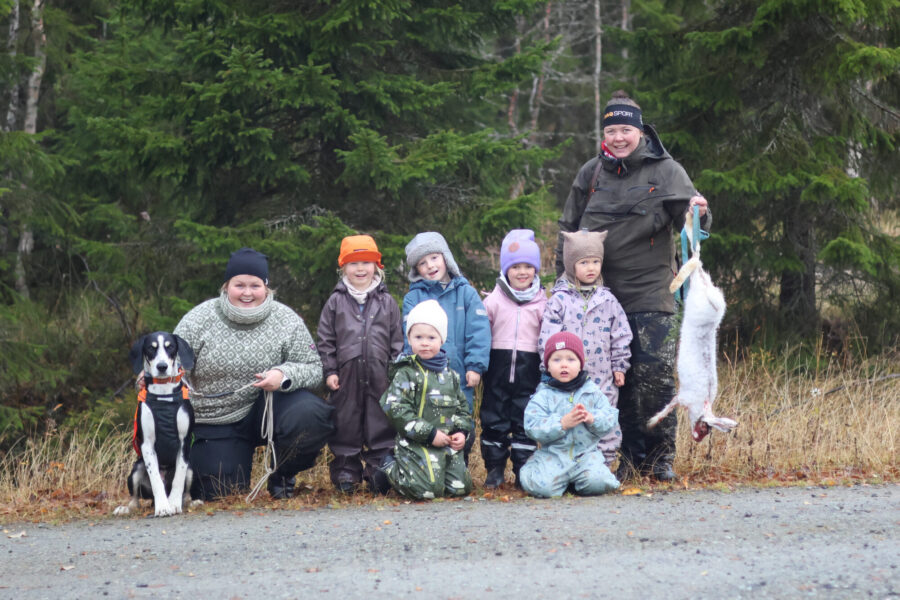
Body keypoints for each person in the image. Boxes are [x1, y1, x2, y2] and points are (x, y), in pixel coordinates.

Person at [557, 90, 710, 481]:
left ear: (640, 132)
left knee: (653, 376)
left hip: (651, 293)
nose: (619, 138)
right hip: (596, 297)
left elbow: (692, 228)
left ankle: (659, 458)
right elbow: (568, 233)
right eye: (612, 131)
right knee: (608, 380)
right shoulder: (591, 173)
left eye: (626, 129)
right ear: (603, 134)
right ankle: (622, 457)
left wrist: (700, 215)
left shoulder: (666, 170)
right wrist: (562, 286)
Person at [174, 248, 334, 500]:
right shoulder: (199, 319)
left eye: (255, 285)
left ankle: (283, 472)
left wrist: (283, 375)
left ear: (266, 287)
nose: (247, 293)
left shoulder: (286, 319)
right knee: (220, 494)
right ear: (227, 286)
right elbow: (174, 363)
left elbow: (314, 369)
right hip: (215, 419)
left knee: (311, 415)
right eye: (239, 285)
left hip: (267, 409)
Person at [317, 235, 403, 494]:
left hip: (380, 374)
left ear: (377, 266)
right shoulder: (336, 301)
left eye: (366, 262)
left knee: (381, 420)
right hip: (346, 374)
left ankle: (379, 469)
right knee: (346, 421)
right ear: (343, 267)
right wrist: (330, 370)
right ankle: (346, 471)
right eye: (354, 263)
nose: (360, 269)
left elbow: (397, 338)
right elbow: (326, 339)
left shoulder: (387, 301)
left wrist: (395, 371)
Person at [539, 229, 632, 467]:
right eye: (583, 262)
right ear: (571, 265)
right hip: (566, 378)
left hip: (602, 376)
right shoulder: (559, 300)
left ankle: (604, 465)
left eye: (595, 262)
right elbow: (547, 338)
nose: (591, 268)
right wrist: (548, 365)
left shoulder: (608, 300)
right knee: (569, 416)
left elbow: (621, 334)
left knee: (604, 417)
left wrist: (620, 365)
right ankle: (568, 466)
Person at [378, 300, 474, 500]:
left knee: (460, 487)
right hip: (415, 442)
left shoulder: (451, 376)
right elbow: (395, 408)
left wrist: (461, 432)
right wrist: (428, 433)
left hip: (445, 442)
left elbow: (462, 410)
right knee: (426, 491)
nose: (424, 342)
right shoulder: (406, 372)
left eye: (431, 337)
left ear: (441, 339)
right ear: (409, 339)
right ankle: (388, 468)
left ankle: (432, 472)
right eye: (418, 337)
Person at [480, 229, 547, 488]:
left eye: (528, 266)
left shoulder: (543, 303)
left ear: (536, 270)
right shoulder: (493, 301)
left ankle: (523, 470)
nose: (522, 272)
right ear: (505, 270)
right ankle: (494, 468)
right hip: (497, 369)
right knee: (494, 420)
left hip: (529, 371)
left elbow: (548, 339)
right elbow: (481, 334)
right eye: (516, 266)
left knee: (524, 421)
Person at [519, 332, 620, 498]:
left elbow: (610, 417)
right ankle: (532, 468)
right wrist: (561, 424)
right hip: (553, 456)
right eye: (557, 360)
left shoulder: (592, 391)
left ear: (580, 364)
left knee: (600, 483)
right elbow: (531, 426)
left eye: (571, 359)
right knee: (542, 489)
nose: (564, 365)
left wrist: (592, 419)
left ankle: (578, 483)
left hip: (586, 456)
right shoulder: (543, 395)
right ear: (548, 366)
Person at [401, 232, 490, 413]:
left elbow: (479, 331)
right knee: (426, 418)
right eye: (422, 263)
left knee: (460, 421)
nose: (430, 265)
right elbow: (408, 336)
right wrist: (409, 368)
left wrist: (475, 366)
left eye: (434, 257)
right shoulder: (413, 298)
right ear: (416, 270)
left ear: (446, 257)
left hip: (459, 374)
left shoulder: (466, 294)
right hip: (424, 375)